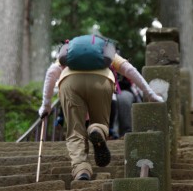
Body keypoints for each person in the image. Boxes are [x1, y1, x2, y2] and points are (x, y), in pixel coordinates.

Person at [38, 38, 164, 181]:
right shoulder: (103, 49)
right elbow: (129, 70)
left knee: (75, 131)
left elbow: (51, 73)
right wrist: (151, 94)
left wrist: (46, 105)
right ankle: (97, 129)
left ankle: (81, 169)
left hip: (69, 82)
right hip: (102, 80)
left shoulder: (70, 51)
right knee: (101, 121)